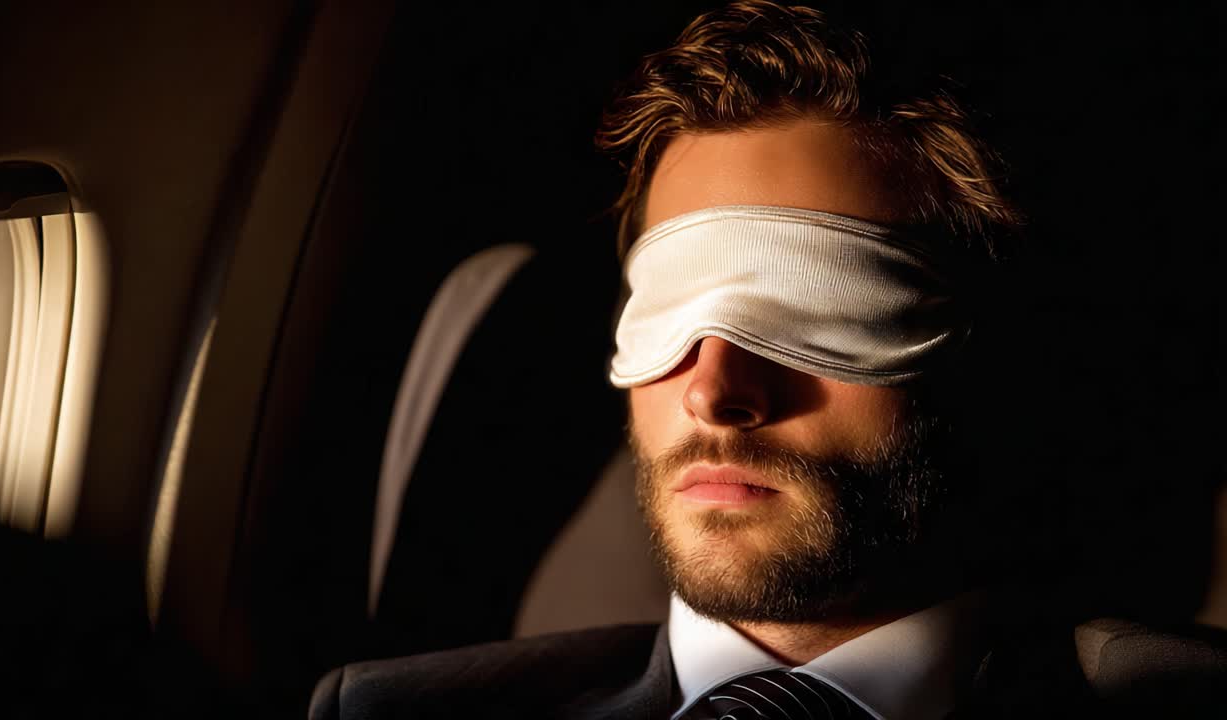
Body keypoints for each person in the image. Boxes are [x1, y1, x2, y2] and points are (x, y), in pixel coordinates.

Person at [309, 3, 1226, 718]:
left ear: (981, 345)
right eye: (668, 310)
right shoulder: (387, 711)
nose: (714, 391)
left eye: (818, 308)